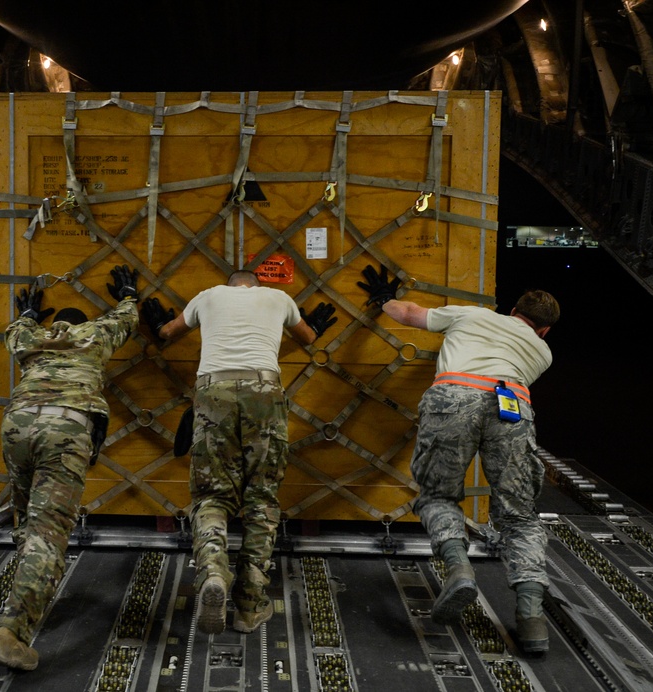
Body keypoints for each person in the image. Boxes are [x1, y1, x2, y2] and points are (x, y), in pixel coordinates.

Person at [357, 264, 559, 654]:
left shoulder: (475, 314)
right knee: (519, 517)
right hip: (512, 407)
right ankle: (532, 620)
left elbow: (410, 314)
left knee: (438, 496)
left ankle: (457, 568)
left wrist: (385, 299)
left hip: (455, 397)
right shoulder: (543, 352)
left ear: (513, 309)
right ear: (544, 329)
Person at [142, 271, 337, 635]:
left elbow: (168, 332)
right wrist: (309, 328)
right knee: (262, 498)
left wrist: (159, 325)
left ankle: (214, 572)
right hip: (264, 391)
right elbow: (309, 336)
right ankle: (249, 606)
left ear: (230, 286)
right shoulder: (278, 298)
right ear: (254, 285)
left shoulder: (207, 295)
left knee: (212, 496)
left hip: (213, 390)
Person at [0, 265, 139, 671]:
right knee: (48, 531)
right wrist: (127, 294)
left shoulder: (32, 338)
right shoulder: (94, 334)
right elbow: (126, 320)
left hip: (18, 424)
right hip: (66, 425)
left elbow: (13, 332)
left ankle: (33, 591)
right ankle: (14, 631)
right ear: (81, 325)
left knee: (27, 519)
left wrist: (29, 314)